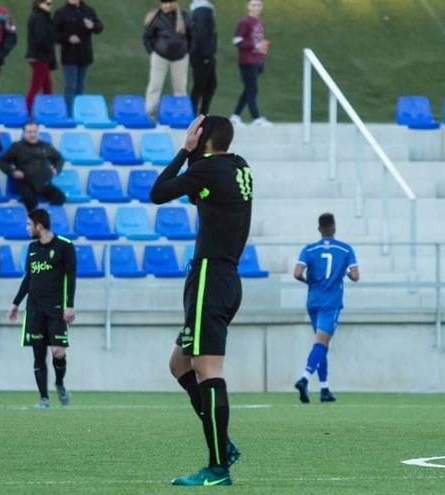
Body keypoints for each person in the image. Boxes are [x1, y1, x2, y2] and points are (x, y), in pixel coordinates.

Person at [150, 115, 253, 486]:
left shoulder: (207, 168)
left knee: (208, 370)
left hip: (211, 276)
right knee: (180, 364)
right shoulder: (238, 167)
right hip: (226, 276)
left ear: (203, 139)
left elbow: (158, 192)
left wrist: (184, 149)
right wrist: (200, 152)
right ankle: (222, 444)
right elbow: (198, 192)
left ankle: (217, 467)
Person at [7, 209, 76, 409]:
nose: (26, 228)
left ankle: (60, 383)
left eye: (29, 224)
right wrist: (15, 303)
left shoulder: (65, 246)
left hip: (56, 310)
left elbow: (71, 277)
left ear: (39, 226)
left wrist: (69, 305)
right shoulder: (32, 248)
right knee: (38, 355)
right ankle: (44, 398)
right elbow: (29, 278)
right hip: (35, 310)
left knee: (58, 352)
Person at [293, 213, 360, 404]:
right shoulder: (345, 249)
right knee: (321, 343)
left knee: (321, 344)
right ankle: (304, 378)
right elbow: (355, 276)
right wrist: (346, 272)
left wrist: (309, 282)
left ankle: (324, 389)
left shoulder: (309, 249)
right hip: (331, 302)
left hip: (313, 300)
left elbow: (297, 273)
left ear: (319, 229)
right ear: (334, 227)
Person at [0, 121, 65, 211]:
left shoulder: (46, 146)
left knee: (60, 197)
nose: (32, 134)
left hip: (44, 183)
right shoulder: (16, 147)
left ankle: (47, 217)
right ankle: (35, 222)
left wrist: (56, 169)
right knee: (31, 202)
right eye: (29, 132)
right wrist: (13, 172)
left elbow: (59, 159)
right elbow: (2, 161)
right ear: (24, 133)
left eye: (35, 131)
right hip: (25, 182)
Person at [143, 0, 192, 119]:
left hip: (180, 57)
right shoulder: (155, 17)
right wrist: (153, 52)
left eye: (170, 2)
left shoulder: (184, 16)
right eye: (165, 2)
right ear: (161, 3)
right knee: (154, 86)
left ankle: (180, 115)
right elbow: (147, 36)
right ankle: (150, 114)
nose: (168, 5)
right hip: (160, 56)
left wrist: (187, 51)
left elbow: (192, 35)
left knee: (180, 88)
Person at [53, 0, 104, 115]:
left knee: (80, 87)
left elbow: (100, 27)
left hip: (85, 56)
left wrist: (93, 25)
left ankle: (79, 113)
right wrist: (68, 38)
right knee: (70, 87)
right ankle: (69, 114)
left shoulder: (88, 10)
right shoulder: (61, 13)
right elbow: (54, 34)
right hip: (69, 56)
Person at [230, 0, 271, 127]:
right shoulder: (244, 22)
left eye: (259, 5)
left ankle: (235, 115)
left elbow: (258, 40)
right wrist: (254, 45)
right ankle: (256, 118)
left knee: (248, 89)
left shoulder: (260, 22)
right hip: (247, 60)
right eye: (253, 5)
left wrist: (261, 53)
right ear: (248, 6)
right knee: (252, 89)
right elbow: (237, 40)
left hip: (257, 60)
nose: (256, 7)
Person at [25, 0, 57, 113]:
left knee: (47, 85)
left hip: (42, 56)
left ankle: (47, 109)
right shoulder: (38, 18)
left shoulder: (43, 17)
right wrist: (50, 48)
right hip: (39, 56)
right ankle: (27, 111)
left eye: (51, 3)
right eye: (47, 3)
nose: (50, 6)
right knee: (36, 86)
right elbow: (40, 39)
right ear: (39, 4)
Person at [189, 0, 216, 116]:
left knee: (207, 84)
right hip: (202, 54)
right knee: (202, 84)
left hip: (202, 53)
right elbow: (202, 33)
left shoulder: (203, 9)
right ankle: (196, 112)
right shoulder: (203, 10)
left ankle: (200, 112)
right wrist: (207, 55)